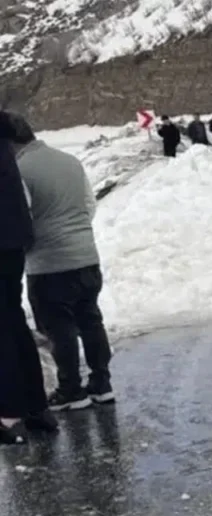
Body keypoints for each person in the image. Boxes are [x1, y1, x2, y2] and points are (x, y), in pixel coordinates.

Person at [9, 113, 115, 412]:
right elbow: (88, 205)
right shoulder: (70, 161)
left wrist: (25, 249)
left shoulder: (19, 170)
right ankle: (101, 383)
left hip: (49, 264)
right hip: (86, 256)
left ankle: (71, 390)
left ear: (10, 142)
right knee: (91, 320)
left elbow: (23, 217)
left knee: (59, 328)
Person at [0, 112, 56, 442]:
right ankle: (37, 408)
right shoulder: (5, 141)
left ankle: (8, 416)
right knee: (13, 319)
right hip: (14, 241)